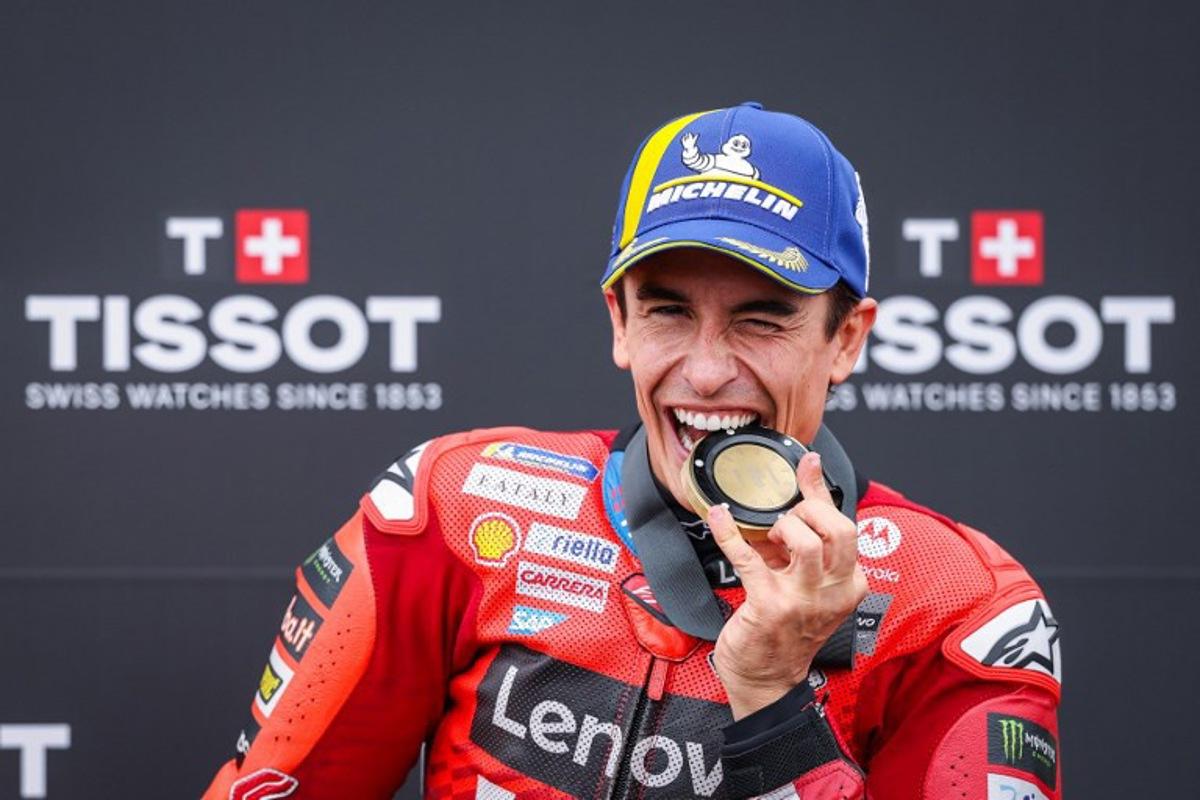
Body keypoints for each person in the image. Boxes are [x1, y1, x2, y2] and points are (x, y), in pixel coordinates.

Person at [203, 102, 1062, 800]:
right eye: (667, 310)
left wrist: (772, 699)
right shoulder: (453, 510)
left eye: (762, 317)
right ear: (619, 321)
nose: (708, 369)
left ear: (847, 340)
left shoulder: (957, 610)